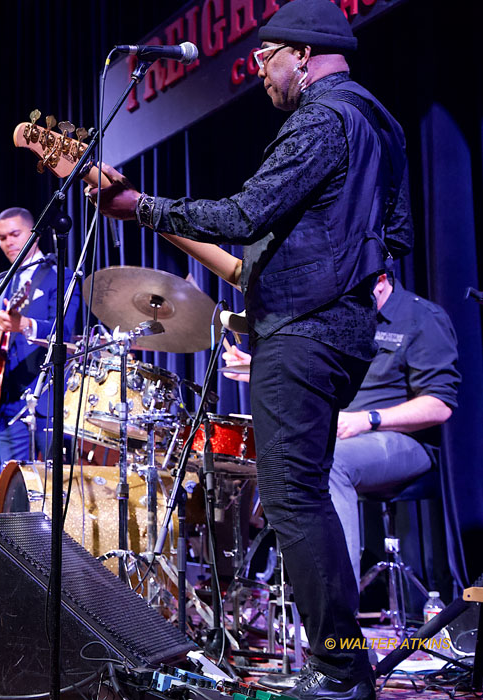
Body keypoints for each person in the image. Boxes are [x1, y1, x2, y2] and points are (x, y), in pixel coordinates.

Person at [90, 1, 412, 697]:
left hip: (309, 330)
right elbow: (391, 238)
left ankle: (339, 668)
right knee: (304, 500)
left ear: (301, 53)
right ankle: (344, 664)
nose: (258, 71)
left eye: (264, 57)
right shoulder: (380, 123)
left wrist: (141, 207)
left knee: (295, 501)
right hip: (336, 330)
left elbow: (243, 215)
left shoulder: (325, 117)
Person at [223, 270, 459, 583]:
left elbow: (439, 406)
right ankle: (253, 587)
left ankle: (337, 602)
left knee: (329, 464)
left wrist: (366, 420)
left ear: (381, 279)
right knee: (269, 459)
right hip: (338, 435)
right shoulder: (344, 317)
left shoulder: (421, 317)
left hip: (403, 441)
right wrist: (260, 369)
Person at [0, 207, 80, 465]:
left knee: (59, 484)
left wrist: (25, 324)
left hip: (49, 400)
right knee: (12, 488)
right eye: (2, 238)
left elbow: (63, 331)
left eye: (14, 234)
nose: (8, 242)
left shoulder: (61, 276)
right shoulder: (3, 284)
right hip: (8, 400)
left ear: (34, 235)